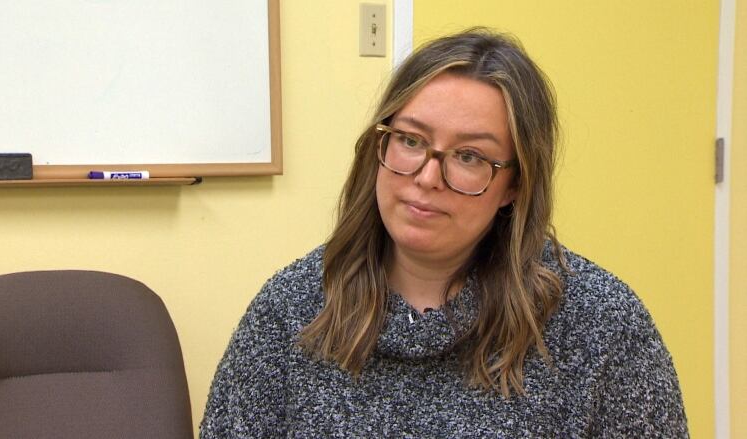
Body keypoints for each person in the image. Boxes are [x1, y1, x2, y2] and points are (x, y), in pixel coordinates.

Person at [200, 28, 688, 438]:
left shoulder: (603, 324)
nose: (428, 177)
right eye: (411, 140)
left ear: (514, 184)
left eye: (469, 156)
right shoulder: (291, 309)